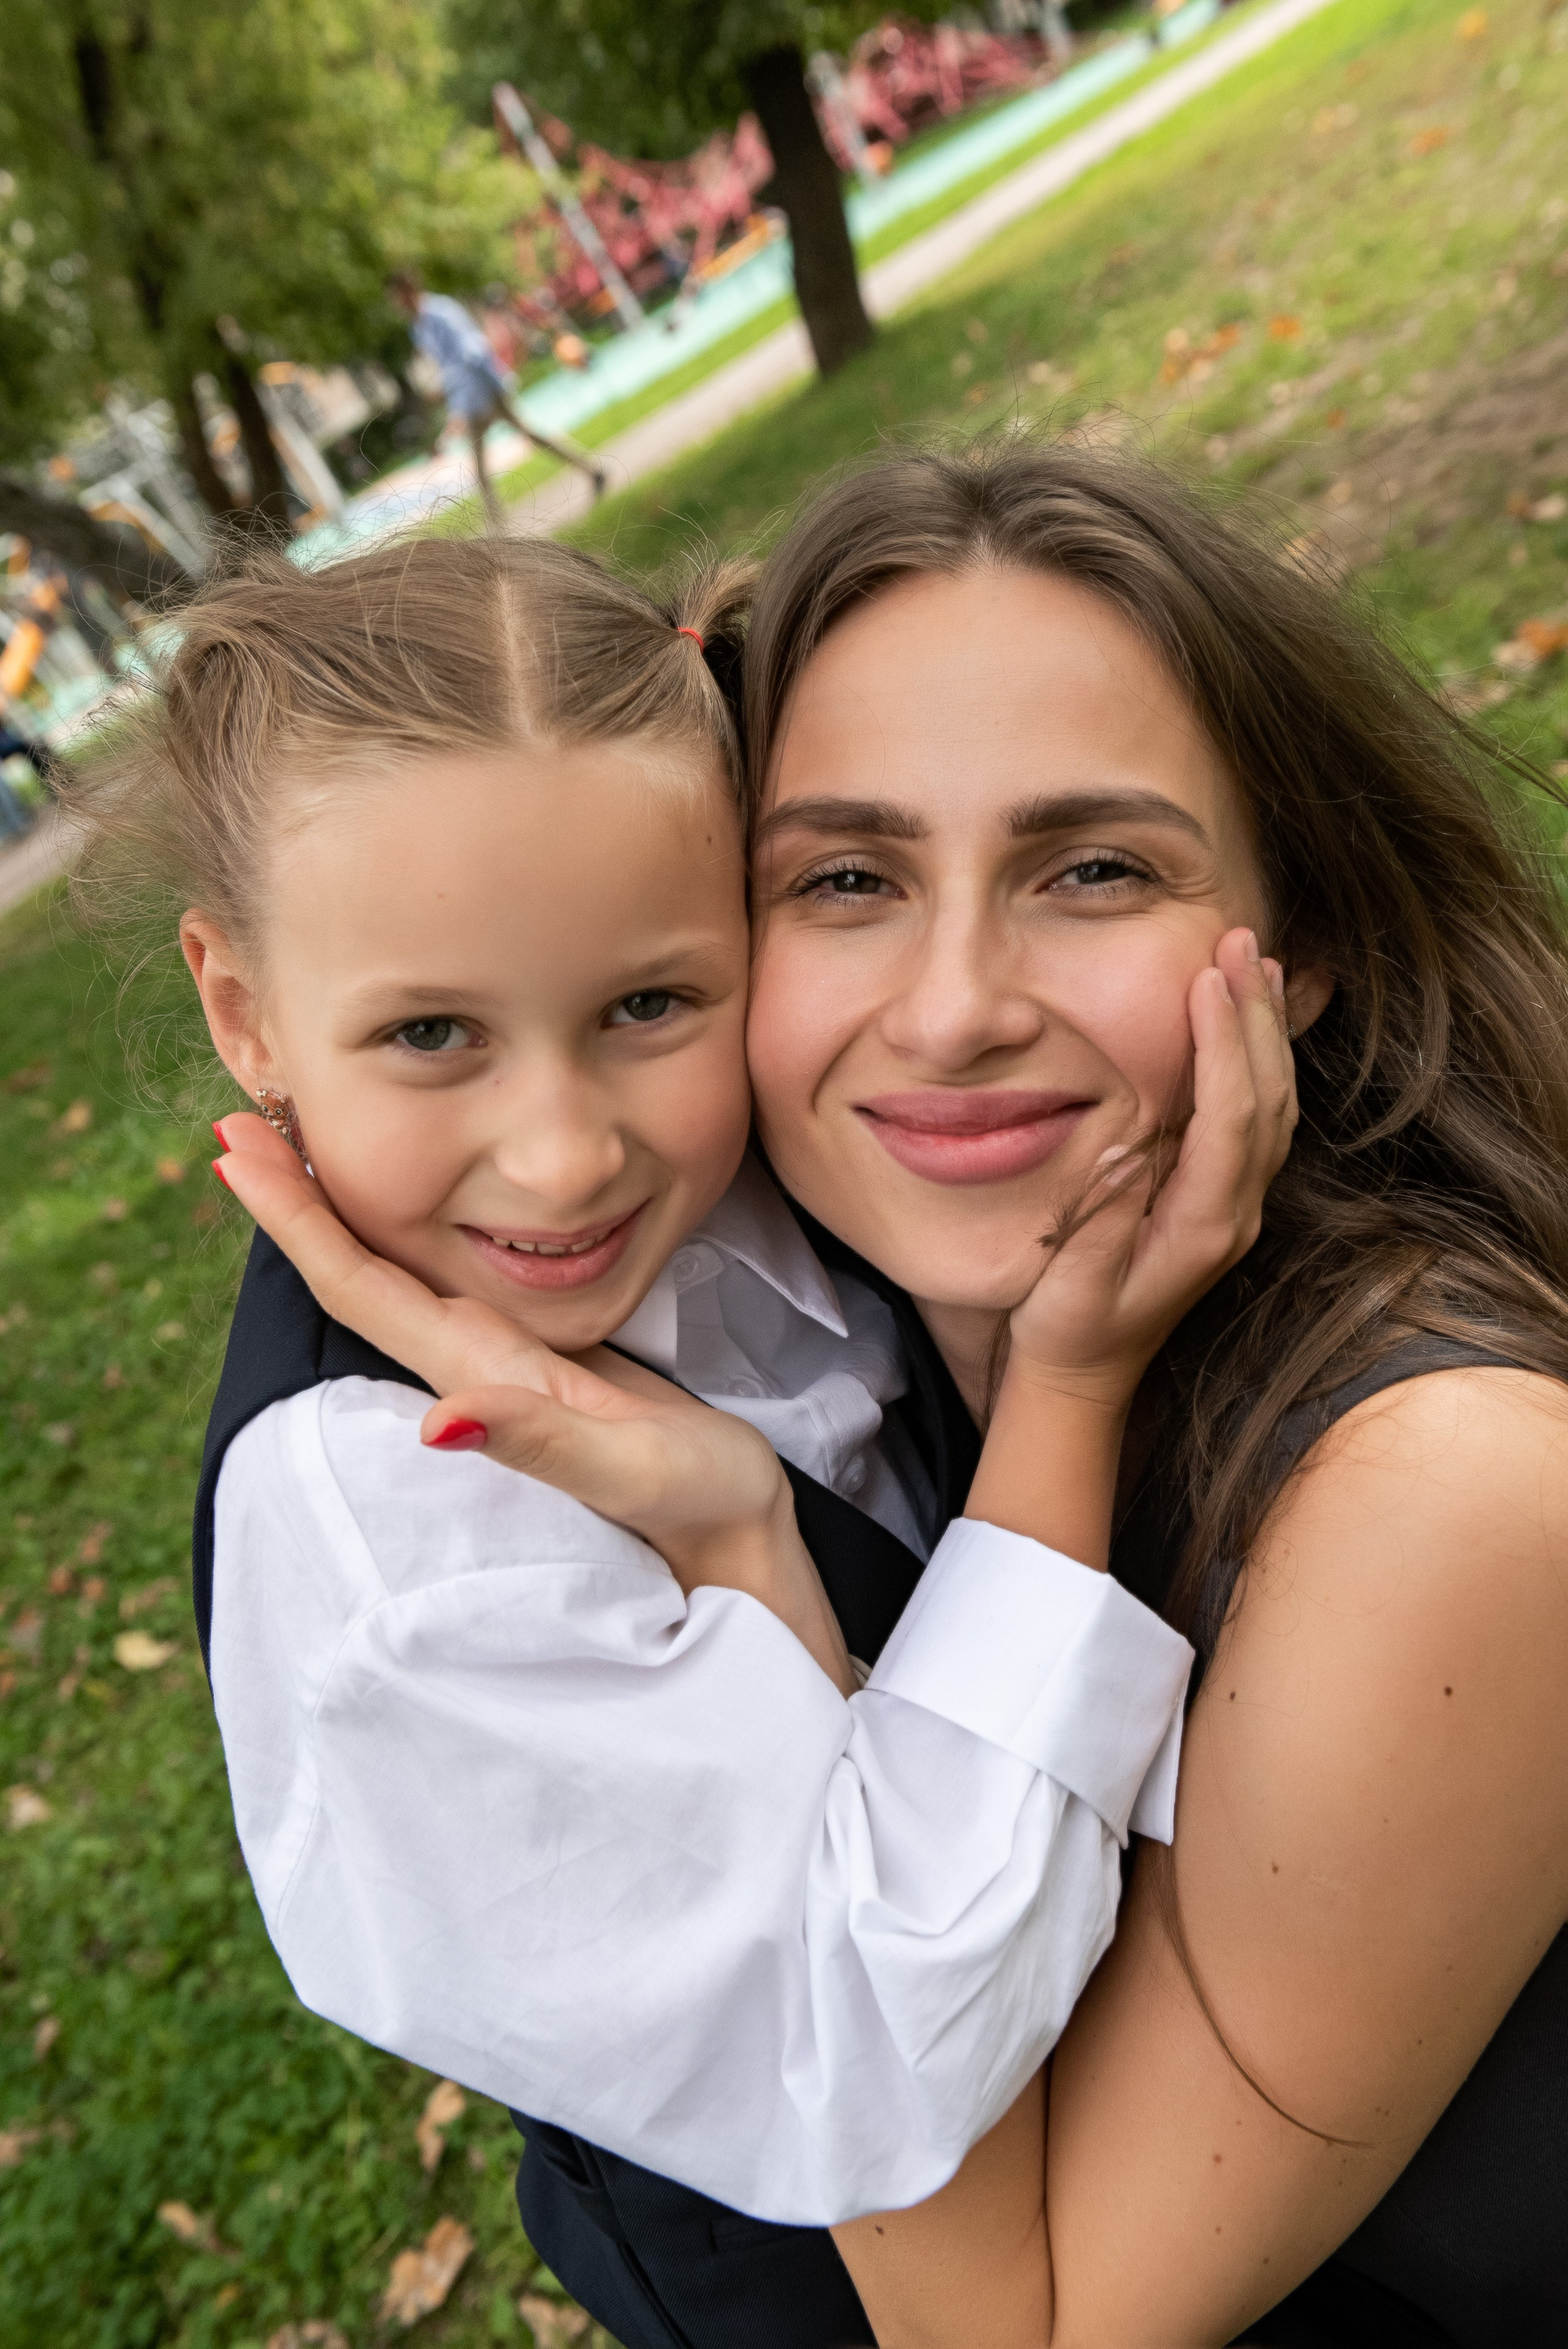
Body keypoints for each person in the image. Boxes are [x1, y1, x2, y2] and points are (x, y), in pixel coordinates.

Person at [238, 440, 1566, 2349]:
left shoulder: (1438, 1488)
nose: (949, 1008)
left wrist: (742, 1568)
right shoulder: (776, 1288)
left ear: (1301, 956)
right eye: (846, 877)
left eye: (1092, 868)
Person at [59, 529, 1290, 2298]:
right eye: (428, 1035)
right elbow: (897, 2047)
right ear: (245, 1011)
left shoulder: (773, 1170)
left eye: (651, 1003)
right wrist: (1058, 1395)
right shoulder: (399, 1551)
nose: (566, 1151)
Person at [385, 268, 605, 523]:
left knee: (526, 438)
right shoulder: (419, 327)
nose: (397, 303)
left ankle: (590, 471)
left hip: (484, 391)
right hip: (470, 399)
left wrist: (460, 407)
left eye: (397, 296)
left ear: (409, 290)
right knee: (483, 467)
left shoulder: (442, 313)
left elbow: (472, 354)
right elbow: (448, 367)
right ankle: (500, 529)